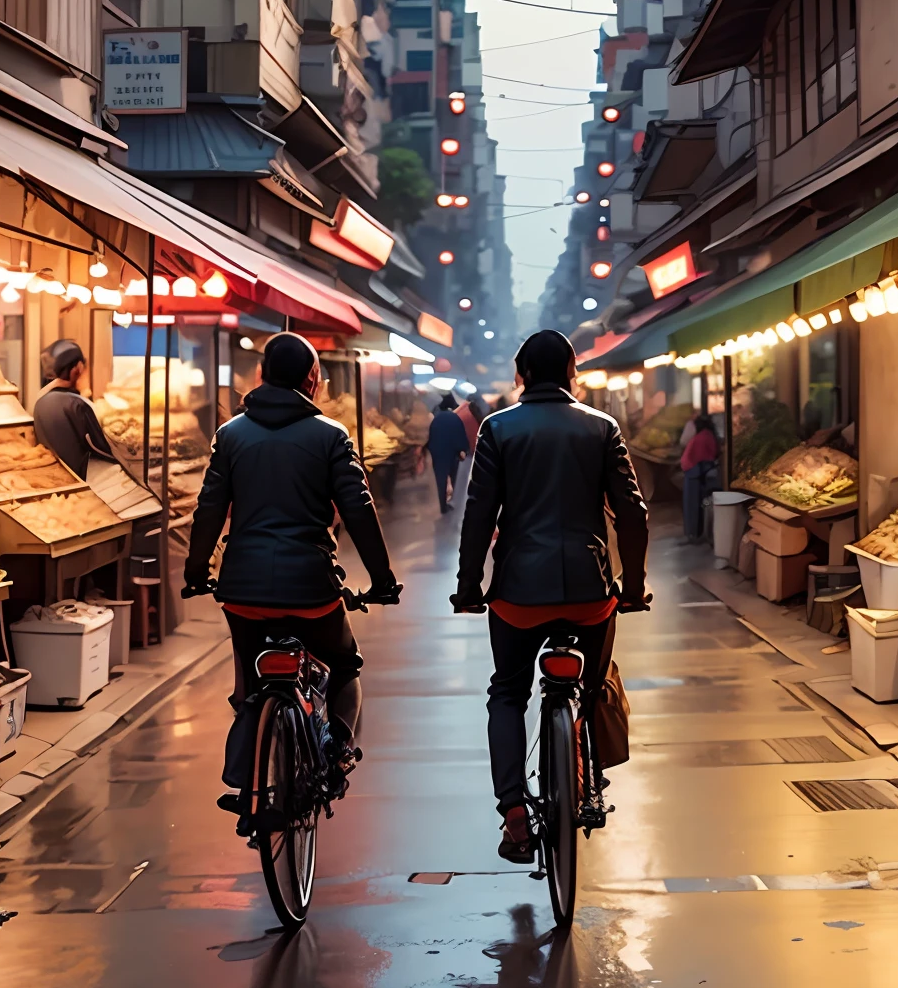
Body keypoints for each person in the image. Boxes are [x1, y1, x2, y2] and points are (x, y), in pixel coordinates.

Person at [184, 332, 401, 822]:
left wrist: (197, 572)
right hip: (312, 590)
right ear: (313, 381)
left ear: (260, 377)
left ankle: (247, 780)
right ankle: (340, 750)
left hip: (243, 591)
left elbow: (209, 508)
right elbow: (358, 511)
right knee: (344, 666)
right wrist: (383, 579)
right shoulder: (331, 436)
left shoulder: (231, 435)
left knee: (249, 684)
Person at [453, 328, 649, 862]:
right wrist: (632, 589)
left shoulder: (497, 430)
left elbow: (479, 516)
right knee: (593, 684)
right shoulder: (601, 428)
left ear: (521, 376)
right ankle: (587, 778)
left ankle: (514, 810)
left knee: (509, 694)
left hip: (517, 595)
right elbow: (632, 514)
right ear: (572, 373)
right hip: (588, 592)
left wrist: (469, 588)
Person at [31, 339, 122, 479]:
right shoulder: (76, 404)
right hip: (82, 479)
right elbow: (104, 448)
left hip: (53, 475)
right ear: (78, 367)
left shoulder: (40, 399)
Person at [678, 410, 720, 541]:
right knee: (694, 504)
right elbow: (710, 455)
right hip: (695, 470)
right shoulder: (707, 435)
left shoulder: (701, 435)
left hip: (691, 470)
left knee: (691, 503)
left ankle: (692, 533)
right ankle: (695, 533)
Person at [427, 393, 469, 515]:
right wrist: (462, 450)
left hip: (436, 451)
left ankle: (438, 504)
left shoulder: (436, 417)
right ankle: (444, 505)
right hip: (450, 453)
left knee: (438, 478)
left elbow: (430, 434)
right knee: (449, 478)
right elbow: (460, 436)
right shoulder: (455, 418)